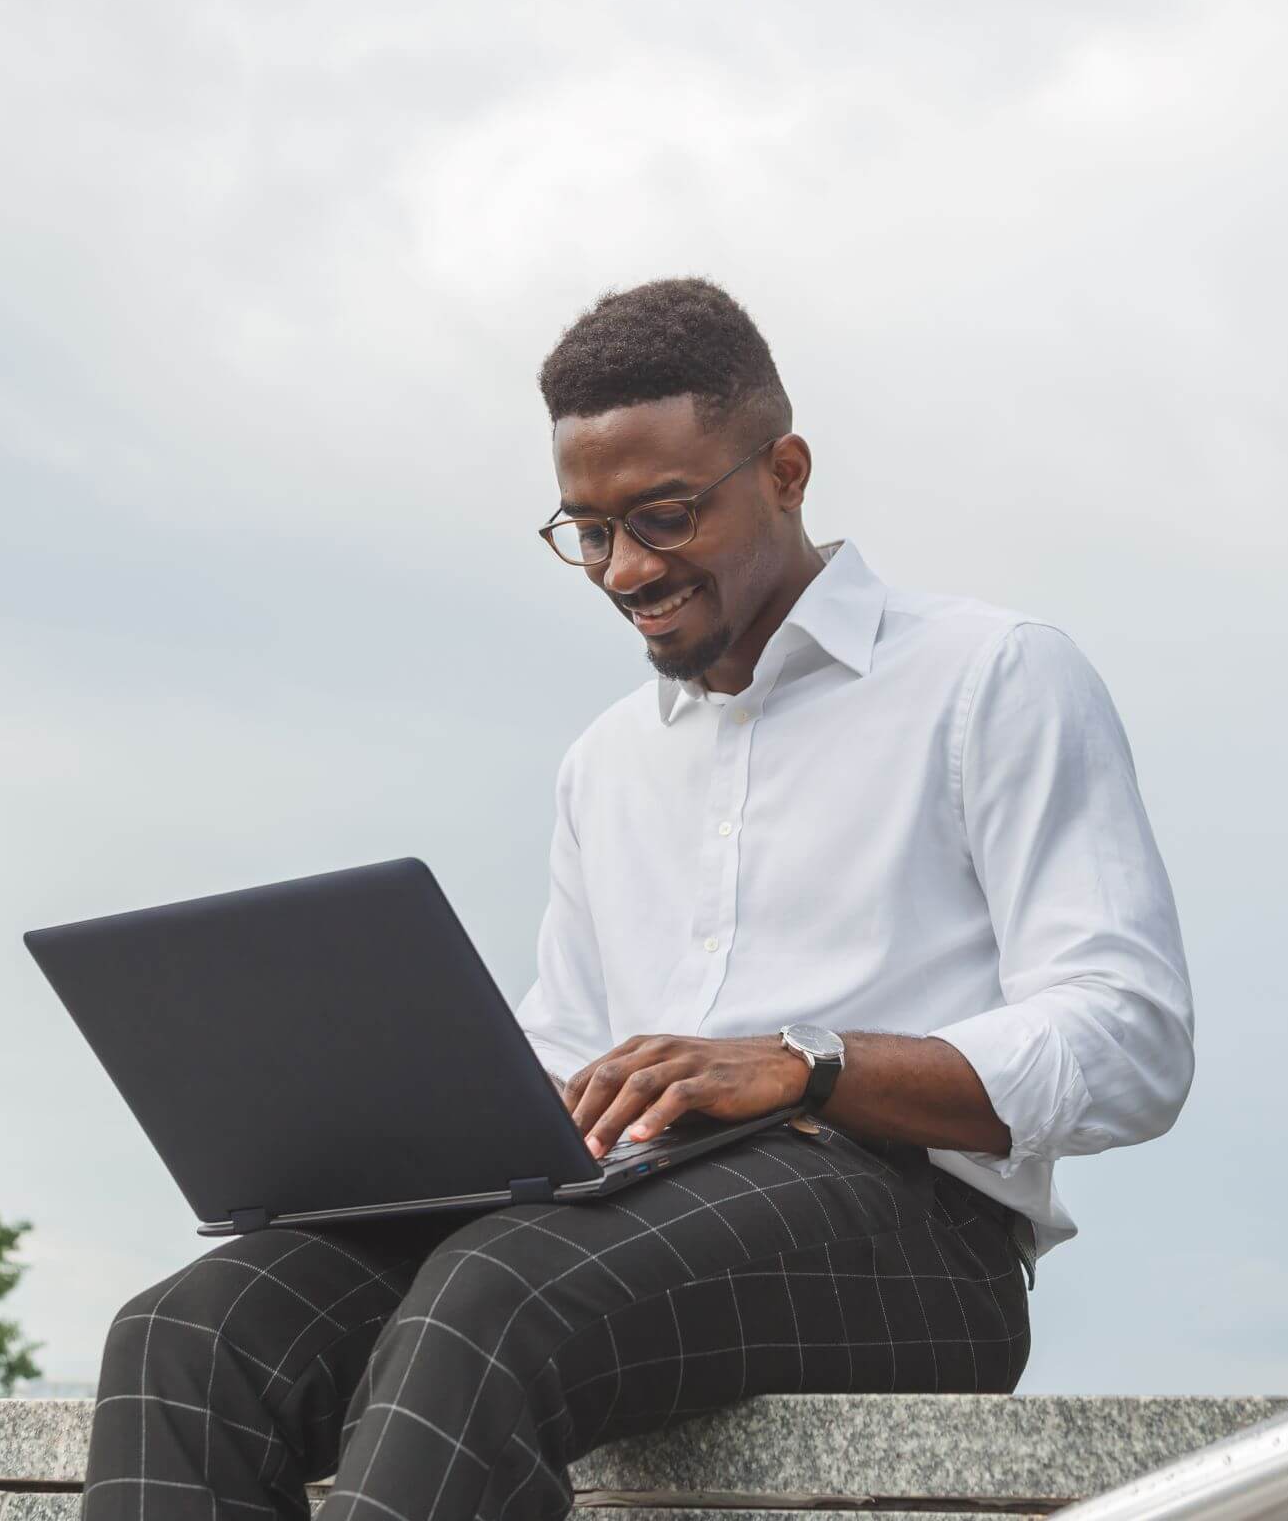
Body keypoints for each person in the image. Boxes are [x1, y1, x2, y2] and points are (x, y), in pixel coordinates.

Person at [81, 278, 1194, 1521]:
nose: (626, 568)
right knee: (190, 1334)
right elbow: (574, 1044)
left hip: (913, 1237)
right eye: (589, 530)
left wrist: (805, 1062)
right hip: (621, 1212)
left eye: (663, 517)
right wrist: (424, 1129)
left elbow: (1132, 1038)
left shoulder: (992, 676)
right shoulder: (607, 760)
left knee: (496, 1295)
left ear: (786, 469)